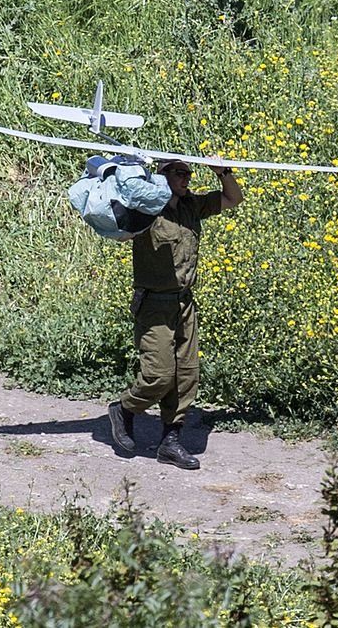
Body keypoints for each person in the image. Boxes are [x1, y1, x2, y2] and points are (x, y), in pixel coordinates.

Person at [107, 158, 242, 469]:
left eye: (189, 173)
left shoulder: (191, 206)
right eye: (179, 173)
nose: (187, 179)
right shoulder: (146, 209)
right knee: (158, 374)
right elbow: (119, 222)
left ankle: (170, 441)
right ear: (162, 176)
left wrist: (223, 173)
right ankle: (125, 409)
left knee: (186, 375)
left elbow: (233, 198)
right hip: (154, 302)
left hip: (184, 303)